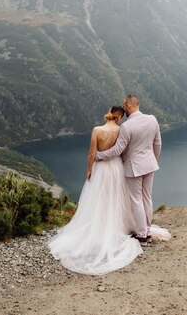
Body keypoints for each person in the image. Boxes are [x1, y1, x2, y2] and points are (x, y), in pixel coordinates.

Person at [48, 106, 143, 275]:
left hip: (101, 168)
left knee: (100, 198)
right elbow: (122, 151)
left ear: (108, 114)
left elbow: (92, 153)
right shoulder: (121, 130)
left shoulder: (97, 130)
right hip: (116, 167)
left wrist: (89, 169)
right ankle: (118, 227)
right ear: (120, 117)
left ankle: (99, 229)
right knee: (116, 197)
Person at [95, 94, 168, 244]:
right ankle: (146, 229)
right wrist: (153, 160)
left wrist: (99, 155)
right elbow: (158, 144)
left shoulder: (126, 126)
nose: (124, 110)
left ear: (128, 105)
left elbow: (117, 150)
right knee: (147, 197)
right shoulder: (152, 119)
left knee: (136, 200)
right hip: (150, 164)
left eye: (124, 105)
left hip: (134, 167)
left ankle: (142, 235)